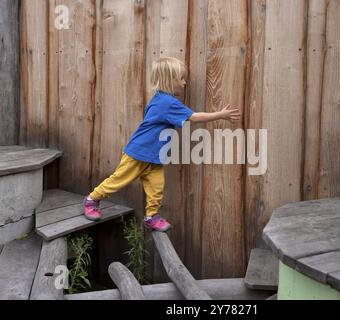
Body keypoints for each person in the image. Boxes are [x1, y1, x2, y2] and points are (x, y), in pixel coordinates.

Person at [83, 57, 241, 232]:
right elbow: (194, 117)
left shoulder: (161, 99)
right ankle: (92, 199)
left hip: (154, 155)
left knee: (156, 187)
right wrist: (220, 114)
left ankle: (151, 216)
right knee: (118, 181)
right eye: (181, 78)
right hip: (139, 153)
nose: (184, 82)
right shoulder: (167, 102)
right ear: (170, 79)